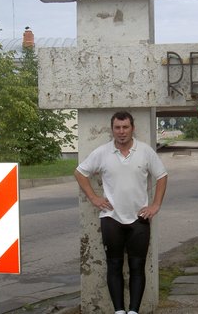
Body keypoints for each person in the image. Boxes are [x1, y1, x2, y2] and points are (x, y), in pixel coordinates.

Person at [74, 110, 168, 314]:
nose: (121, 131)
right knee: (114, 265)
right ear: (112, 129)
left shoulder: (145, 151)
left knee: (137, 267)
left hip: (139, 218)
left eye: (125, 127)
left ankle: (133, 310)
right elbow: (80, 173)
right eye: (117, 127)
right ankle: (118, 310)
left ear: (132, 128)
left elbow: (162, 176)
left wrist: (155, 205)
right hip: (111, 218)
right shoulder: (102, 152)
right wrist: (94, 198)